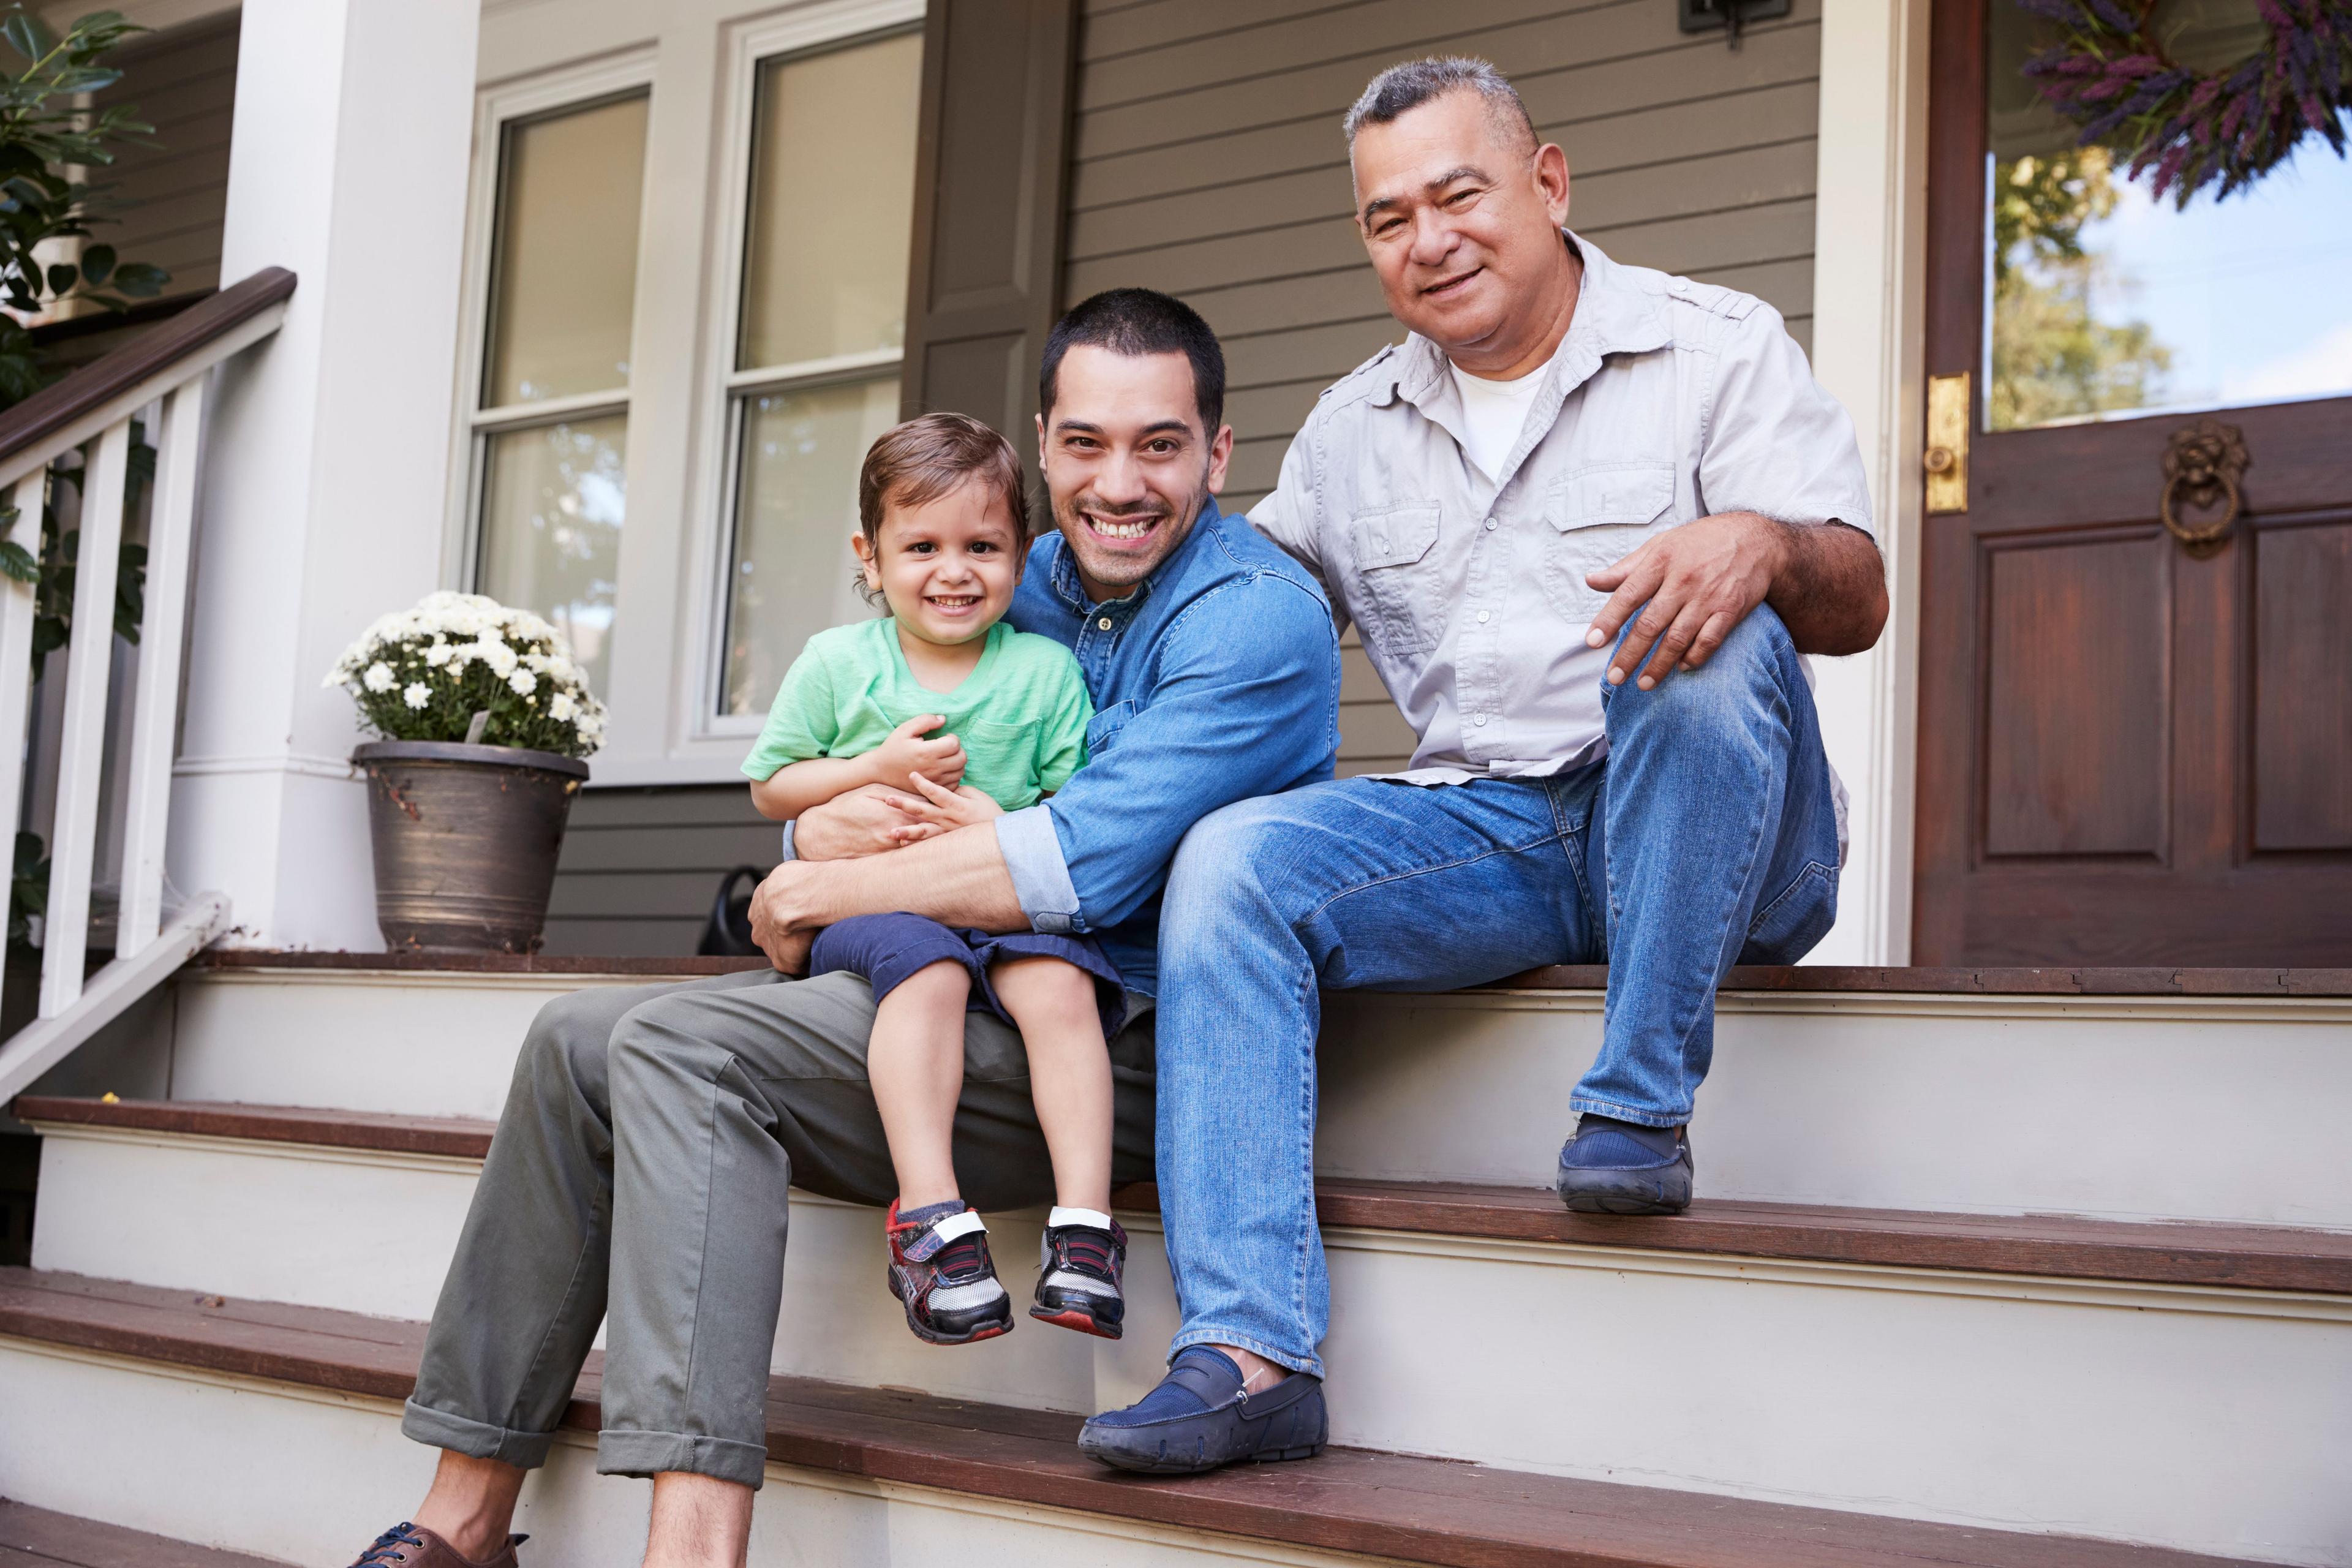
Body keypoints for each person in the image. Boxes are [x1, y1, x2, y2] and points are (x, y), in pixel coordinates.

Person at [347, 288, 1339, 1568]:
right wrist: (815, 838)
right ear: (1044, 448)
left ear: (1219, 450)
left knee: (679, 1050)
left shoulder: (1249, 619)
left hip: (1103, 1033)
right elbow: (873, 757)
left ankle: (694, 1543)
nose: (1121, 481)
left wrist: (804, 892)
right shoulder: (1014, 566)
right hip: (933, 985)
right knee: (570, 1038)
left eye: (1159, 443)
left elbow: (1069, 865)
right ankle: (463, 1516)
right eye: (1087, 443)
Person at [1068, 58, 1889, 1475]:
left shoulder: (1715, 344)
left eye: (1459, 194)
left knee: (1691, 633)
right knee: (1234, 861)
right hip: (1496, 834)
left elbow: (1860, 593)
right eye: (1389, 219)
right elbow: (1241, 622)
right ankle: (1252, 1350)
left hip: (1731, 833)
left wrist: (1758, 542)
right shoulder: (1350, 431)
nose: (1429, 239)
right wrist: (982, 629)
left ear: (1549, 183)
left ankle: (1636, 1105)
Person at [744, 412, 1131, 1347]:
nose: (954, 570)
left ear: (1021, 555)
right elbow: (772, 785)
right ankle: (931, 1218)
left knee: (1061, 979)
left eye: (983, 545)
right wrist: (867, 771)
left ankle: (1084, 1227)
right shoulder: (841, 664)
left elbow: (1070, 802)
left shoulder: (1043, 673)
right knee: (929, 974)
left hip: (992, 891)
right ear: (869, 559)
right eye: (921, 545)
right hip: (874, 900)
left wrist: (1005, 824)